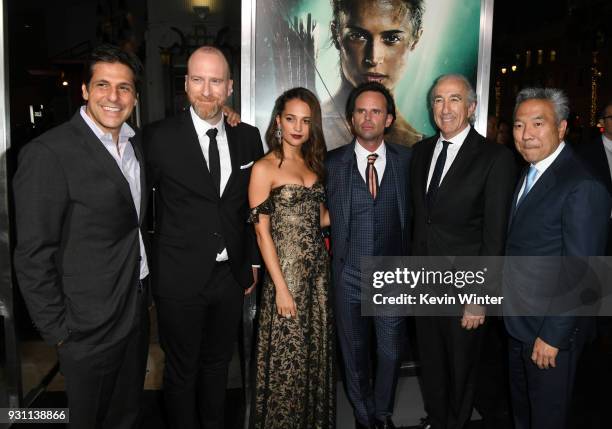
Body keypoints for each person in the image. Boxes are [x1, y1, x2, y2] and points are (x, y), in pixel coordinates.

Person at [13, 44, 149, 428]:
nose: (114, 96)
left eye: (124, 87)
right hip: (85, 326)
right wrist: (59, 332)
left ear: (135, 96)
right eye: (103, 85)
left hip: (135, 309)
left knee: (126, 415)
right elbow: (33, 254)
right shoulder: (49, 153)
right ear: (85, 91)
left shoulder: (136, 145)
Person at [144, 46, 264, 429]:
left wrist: (251, 263)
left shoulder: (248, 137)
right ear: (185, 84)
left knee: (217, 366)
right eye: (198, 79)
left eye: (216, 81)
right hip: (179, 277)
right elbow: (140, 209)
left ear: (229, 87)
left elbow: (252, 209)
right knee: (181, 370)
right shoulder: (157, 138)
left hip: (230, 278)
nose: (207, 90)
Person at [410, 74, 517, 429]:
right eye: (438, 100)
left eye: (454, 99)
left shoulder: (495, 158)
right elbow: (420, 221)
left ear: (471, 107)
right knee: (432, 366)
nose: (445, 108)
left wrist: (480, 296)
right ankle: (437, 419)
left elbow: (494, 236)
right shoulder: (421, 152)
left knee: (461, 371)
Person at [503, 88, 610, 429]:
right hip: (519, 324)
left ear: (562, 128)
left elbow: (583, 271)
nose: (526, 134)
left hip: (550, 333)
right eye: (519, 125)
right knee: (523, 414)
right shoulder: (532, 171)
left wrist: (553, 336)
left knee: (547, 418)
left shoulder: (581, 185)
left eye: (538, 123)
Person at [326, 81, 412, 429]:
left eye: (376, 111)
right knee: (355, 353)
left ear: (389, 119)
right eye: (361, 110)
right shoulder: (331, 163)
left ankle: (383, 412)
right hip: (348, 274)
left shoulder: (410, 161)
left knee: (391, 352)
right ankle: (364, 415)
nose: (367, 117)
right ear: (350, 119)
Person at [248, 87, 335, 428]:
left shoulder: (313, 164)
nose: (298, 127)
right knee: (288, 360)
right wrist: (281, 288)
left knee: (313, 356)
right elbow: (261, 233)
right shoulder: (264, 168)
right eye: (290, 118)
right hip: (287, 278)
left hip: (318, 277)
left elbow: (321, 218)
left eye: (306, 120)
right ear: (278, 122)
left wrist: (359, 203)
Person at [323, 0, 424, 150]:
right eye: (358, 36)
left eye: (392, 38)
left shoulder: (420, 148)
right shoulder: (307, 129)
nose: (374, 58)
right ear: (336, 34)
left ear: (415, 39)